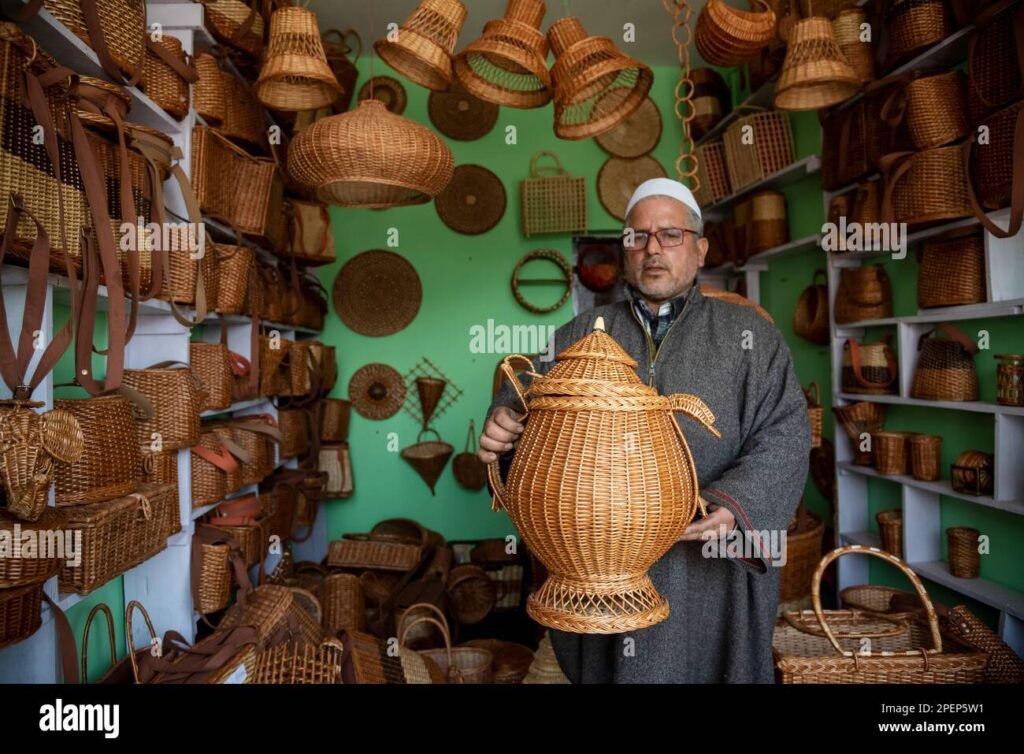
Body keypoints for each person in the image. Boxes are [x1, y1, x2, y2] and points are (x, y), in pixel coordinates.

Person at [478, 178, 811, 683]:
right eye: (637, 237)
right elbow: (526, 408)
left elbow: (786, 433)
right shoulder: (576, 334)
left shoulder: (750, 337)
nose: (652, 248)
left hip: (709, 566)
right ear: (625, 251)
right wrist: (505, 421)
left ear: (700, 249)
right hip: (598, 565)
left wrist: (733, 507)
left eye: (671, 234)